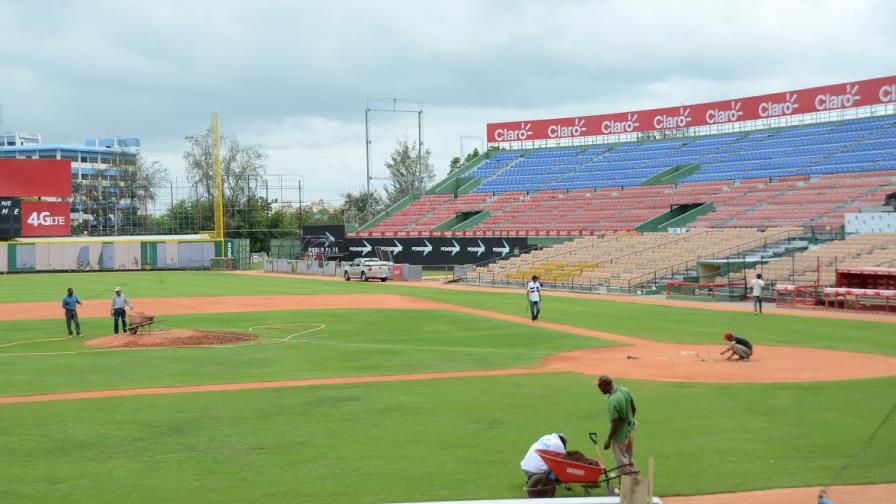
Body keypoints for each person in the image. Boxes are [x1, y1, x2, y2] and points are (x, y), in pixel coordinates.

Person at [595, 375, 637, 476]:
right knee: (629, 459)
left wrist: (609, 439)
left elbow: (616, 422)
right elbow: (633, 407)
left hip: (620, 436)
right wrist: (630, 420)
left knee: (622, 464)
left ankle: (626, 487)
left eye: (600, 386)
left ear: (606, 386)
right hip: (630, 429)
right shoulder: (624, 390)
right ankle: (636, 484)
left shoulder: (613, 400)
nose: (599, 389)